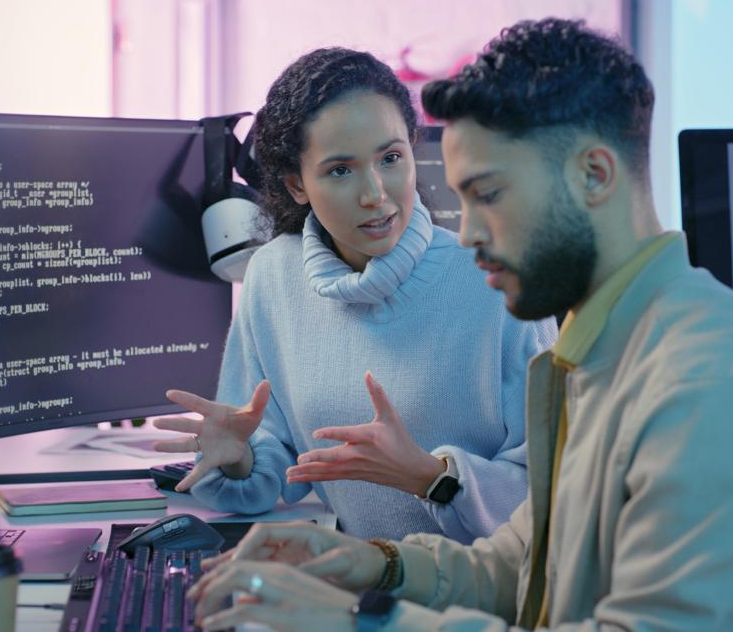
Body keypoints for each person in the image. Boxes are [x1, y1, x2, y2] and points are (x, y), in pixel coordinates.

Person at [185, 18, 733, 631]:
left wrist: (360, 621)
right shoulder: (603, 353)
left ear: (593, 174)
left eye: (489, 196)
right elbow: (521, 567)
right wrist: (369, 565)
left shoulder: (707, 387)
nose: (466, 234)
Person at [152, 47, 557, 544]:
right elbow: (267, 459)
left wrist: (432, 477)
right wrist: (239, 459)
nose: (375, 195)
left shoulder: (494, 280)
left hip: (480, 597)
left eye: (390, 159)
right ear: (296, 185)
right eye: (340, 170)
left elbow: (552, 495)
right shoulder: (274, 275)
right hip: (361, 585)